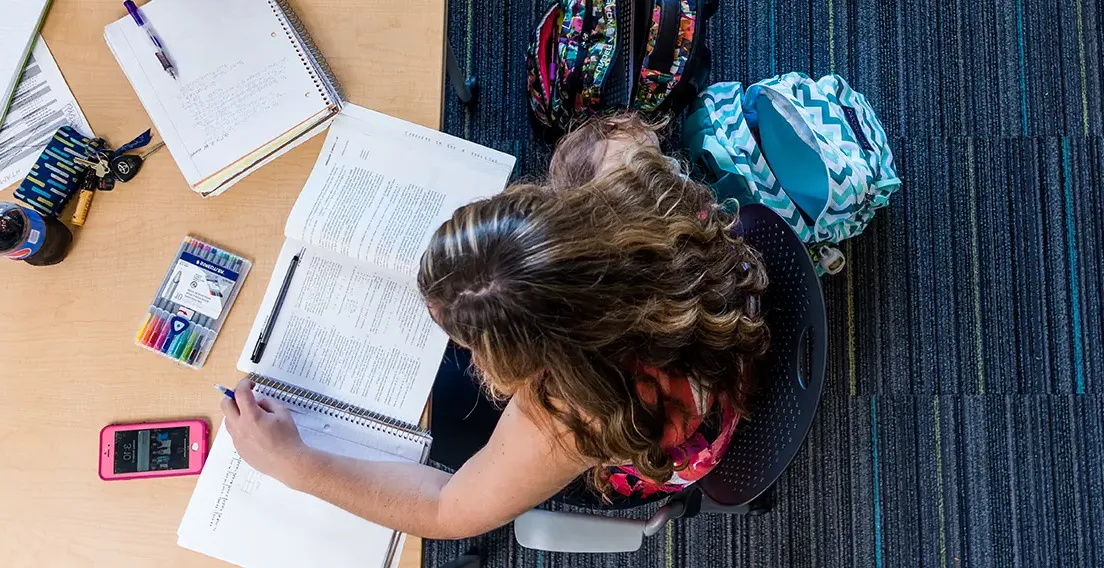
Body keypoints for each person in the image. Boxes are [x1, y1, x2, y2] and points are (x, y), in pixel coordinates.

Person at [220, 114, 769, 539]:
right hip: (719, 318)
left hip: (665, 432)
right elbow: (622, 138)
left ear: (534, 361)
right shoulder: (639, 193)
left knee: (453, 421)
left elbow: (447, 506)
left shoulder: (581, 414)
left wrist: (298, 465)